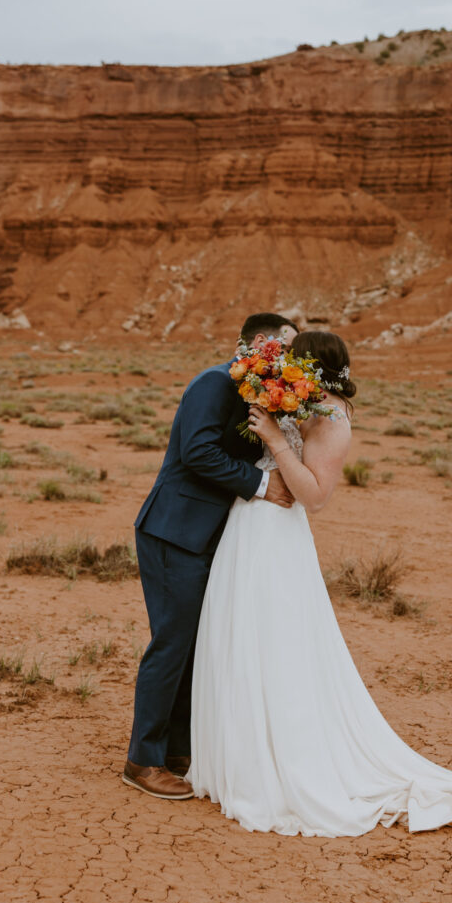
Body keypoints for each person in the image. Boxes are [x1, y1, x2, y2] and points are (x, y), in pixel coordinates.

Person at [188, 331, 452, 836]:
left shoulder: (332, 418)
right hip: (251, 530)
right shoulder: (306, 404)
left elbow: (316, 495)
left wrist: (278, 442)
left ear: (311, 367)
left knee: (276, 644)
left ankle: (277, 761)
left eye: (292, 362)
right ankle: (238, 754)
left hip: (277, 535)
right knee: (243, 637)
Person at [123, 312, 299, 799]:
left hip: (209, 537)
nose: (293, 360)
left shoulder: (256, 395)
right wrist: (263, 485)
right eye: (288, 348)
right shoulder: (214, 383)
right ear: (261, 343)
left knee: (197, 646)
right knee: (172, 643)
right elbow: (197, 452)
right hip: (173, 532)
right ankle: (142, 760)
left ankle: (178, 750)